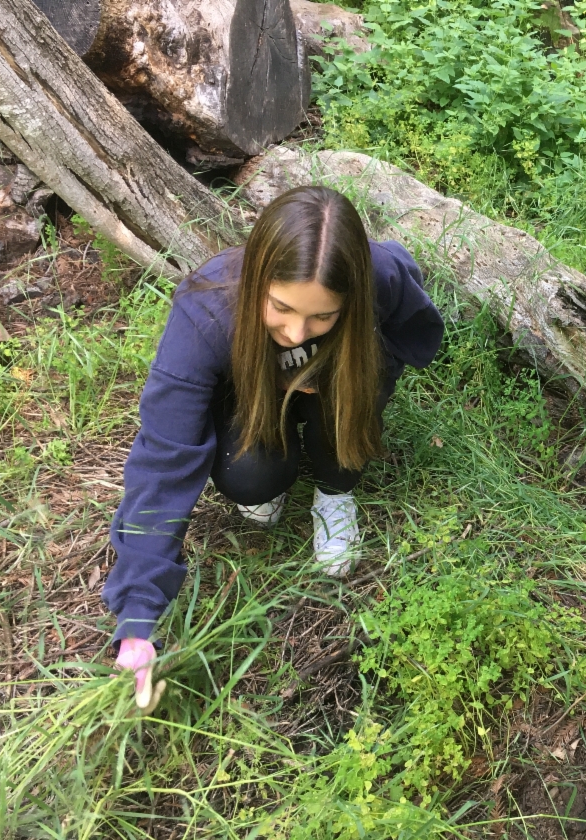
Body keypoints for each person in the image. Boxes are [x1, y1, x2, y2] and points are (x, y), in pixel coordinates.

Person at [103, 186, 444, 709]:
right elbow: (163, 456)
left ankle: (335, 491)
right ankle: (272, 467)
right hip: (255, 395)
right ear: (258, 274)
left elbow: (409, 312)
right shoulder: (205, 312)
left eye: (321, 317)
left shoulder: (377, 274)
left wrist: (371, 370)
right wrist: (138, 616)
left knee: (359, 384)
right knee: (250, 477)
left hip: (333, 382)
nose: (295, 331)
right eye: (280, 307)